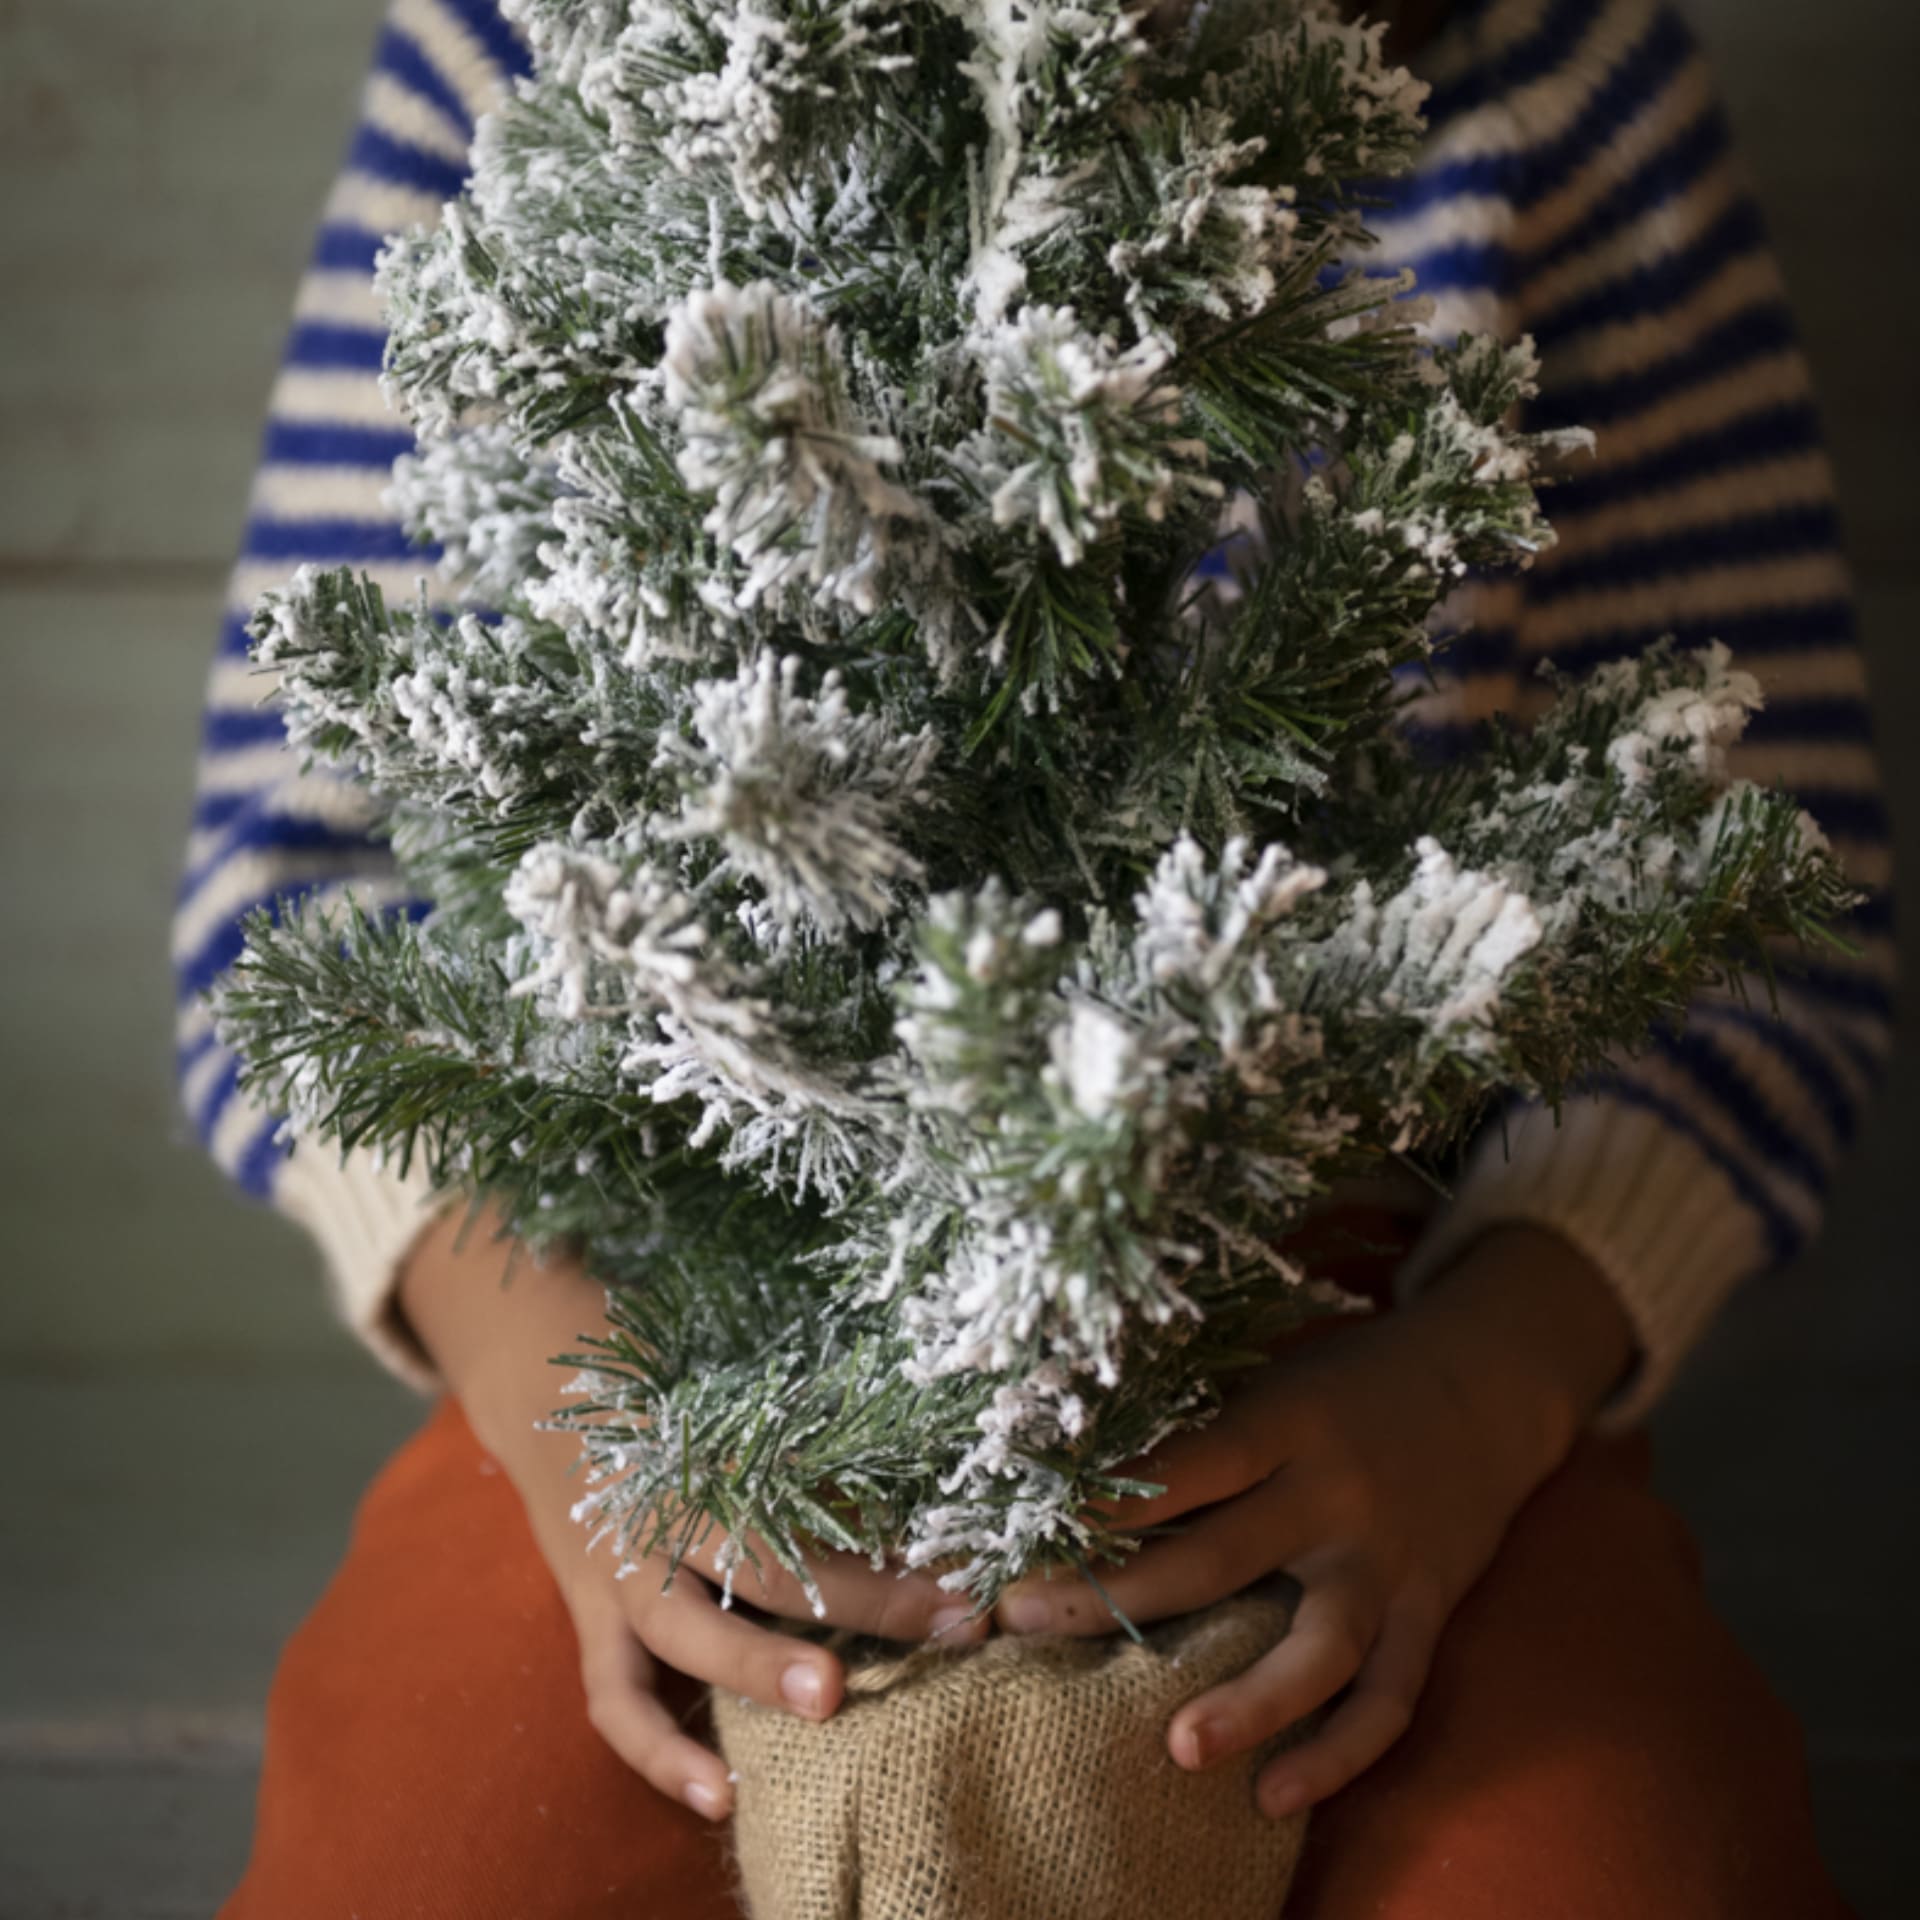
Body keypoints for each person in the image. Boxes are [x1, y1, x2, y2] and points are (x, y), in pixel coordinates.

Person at [176, 1, 1890, 1913]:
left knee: (1610, 1868)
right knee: (436, 1858)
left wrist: (1484, 1388)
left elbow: (1753, 878)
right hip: (628, 1295)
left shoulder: (1541, 73)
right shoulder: (527, 44)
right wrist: (537, 1364)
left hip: (1362, 1322)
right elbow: (302, 891)